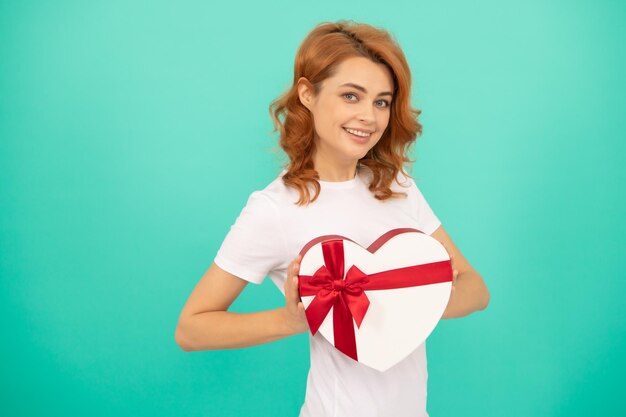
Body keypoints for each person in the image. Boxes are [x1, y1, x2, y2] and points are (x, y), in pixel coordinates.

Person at [175, 20, 490, 417]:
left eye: (381, 101)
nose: (370, 117)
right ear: (307, 94)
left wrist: (409, 300)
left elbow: (475, 288)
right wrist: (289, 320)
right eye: (351, 96)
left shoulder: (396, 185)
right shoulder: (275, 208)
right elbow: (191, 328)